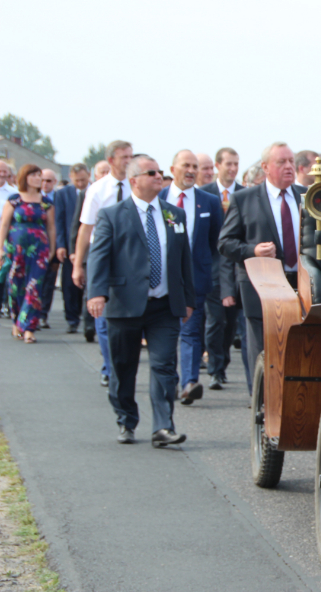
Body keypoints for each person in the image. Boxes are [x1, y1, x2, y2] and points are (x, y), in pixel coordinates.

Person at [87, 155, 194, 446]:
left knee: (164, 366)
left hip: (164, 305)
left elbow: (184, 259)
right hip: (125, 304)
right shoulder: (112, 214)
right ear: (134, 180)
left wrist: (188, 299)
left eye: (160, 172)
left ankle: (162, 427)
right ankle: (126, 419)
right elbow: (99, 256)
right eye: (151, 172)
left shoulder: (174, 215)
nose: (159, 176)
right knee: (123, 367)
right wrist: (97, 292)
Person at [218, 143, 306, 394]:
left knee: (298, 344)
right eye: (281, 162)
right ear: (266, 167)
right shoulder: (244, 199)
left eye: (291, 161)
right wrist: (252, 251)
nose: (289, 166)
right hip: (262, 283)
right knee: (263, 348)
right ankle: (263, 401)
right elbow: (225, 243)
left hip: (300, 282)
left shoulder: (307, 195)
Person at [159, 150, 223, 405]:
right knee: (166, 332)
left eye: (194, 166)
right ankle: (169, 380)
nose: (191, 170)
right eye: (185, 165)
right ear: (172, 169)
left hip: (195, 278)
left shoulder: (208, 201)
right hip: (161, 279)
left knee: (191, 331)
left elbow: (215, 240)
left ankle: (189, 382)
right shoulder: (159, 198)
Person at [74, 141, 134, 387]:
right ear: (111, 160)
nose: (129, 161)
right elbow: (86, 230)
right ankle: (110, 369)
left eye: (132, 156)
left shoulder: (137, 186)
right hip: (105, 258)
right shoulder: (98, 190)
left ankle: (119, 365)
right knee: (103, 316)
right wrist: (78, 264)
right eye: (124, 157)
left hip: (131, 259)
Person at [200, 147, 243, 389]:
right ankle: (215, 368)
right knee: (215, 321)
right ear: (218, 165)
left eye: (236, 163)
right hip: (214, 268)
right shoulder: (204, 194)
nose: (233, 168)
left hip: (238, 267)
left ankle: (223, 361)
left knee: (231, 321)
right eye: (228, 164)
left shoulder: (246, 194)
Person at [0, 165, 56, 343]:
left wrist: (52, 249)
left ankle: (29, 328)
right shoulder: (14, 200)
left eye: (39, 175)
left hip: (39, 250)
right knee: (16, 285)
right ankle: (17, 322)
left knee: (34, 287)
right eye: (34, 175)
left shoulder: (46, 202)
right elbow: (4, 224)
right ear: (25, 177)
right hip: (15, 249)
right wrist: (0, 247)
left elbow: (51, 228)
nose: (38, 178)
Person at [70, 160, 110, 342]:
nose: (105, 174)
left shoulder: (129, 189)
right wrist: (75, 255)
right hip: (94, 249)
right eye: (102, 171)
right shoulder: (93, 191)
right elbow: (80, 227)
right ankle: (89, 325)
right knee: (92, 290)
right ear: (95, 174)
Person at [55, 163, 90, 333]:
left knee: (89, 284)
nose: (81, 184)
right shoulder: (62, 194)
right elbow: (59, 222)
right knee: (69, 285)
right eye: (77, 181)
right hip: (70, 245)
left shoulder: (94, 191)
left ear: (89, 176)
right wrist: (61, 245)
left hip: (90, 246)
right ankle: (72, 319)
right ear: (71, 178)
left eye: (83, 180)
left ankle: (88, 321)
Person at [37, 169, 60, 329]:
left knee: (49, 283)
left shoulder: (59, 198)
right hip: (35, 245)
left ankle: (43, 313)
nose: (45, 184)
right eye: (43, 180)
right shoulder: (31, 198)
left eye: (49, 181)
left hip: (53, 245)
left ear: (55, 182)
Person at [0, 161, 16, 319]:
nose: (1, 174)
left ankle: (5, 303)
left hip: (5, 237)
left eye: (4, 171)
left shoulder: (13, 193)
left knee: (4, 271)